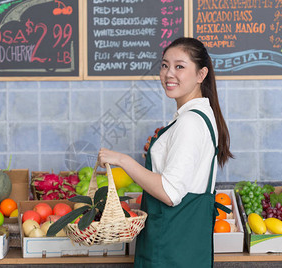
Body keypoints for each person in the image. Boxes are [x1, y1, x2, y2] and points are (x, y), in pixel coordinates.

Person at [98, 37, 233, 267]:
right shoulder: (198, 116)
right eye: (164, 65)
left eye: (180, 66)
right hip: (182, 246)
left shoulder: (190, 122)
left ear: (201, 75)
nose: (169, 73)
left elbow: (170, 193)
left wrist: (122, 160)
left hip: (170, 248)